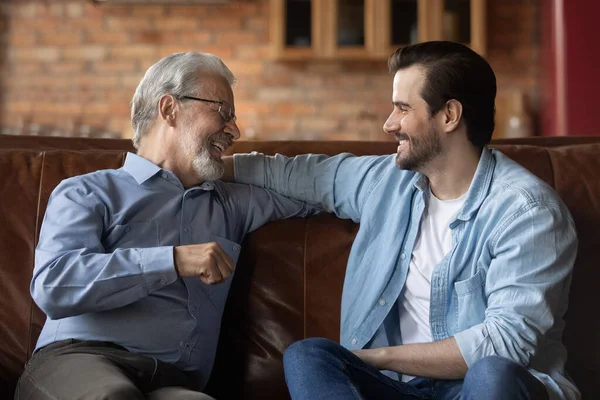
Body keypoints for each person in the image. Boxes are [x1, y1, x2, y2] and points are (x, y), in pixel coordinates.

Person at [227, 41, 580, 400]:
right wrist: (202, 166)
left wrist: (374, 358)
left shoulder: (528, 212)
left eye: (402, 108)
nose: (389, 124)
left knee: (492, 374)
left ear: (449, 115)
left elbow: (504, 344)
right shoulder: (386, 182)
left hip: (487, 390)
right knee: (308, 356)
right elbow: (293, 174)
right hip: (403, 391)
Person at [15, 52, 318, 400]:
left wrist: (242, 167)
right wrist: (172, 260)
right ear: (169, 109)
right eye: (222, 111)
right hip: (79, 360)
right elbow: (54, 284)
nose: (234, 130)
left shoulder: (232, 203)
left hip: (172, 383)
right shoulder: (88, 191)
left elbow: (324, 191)